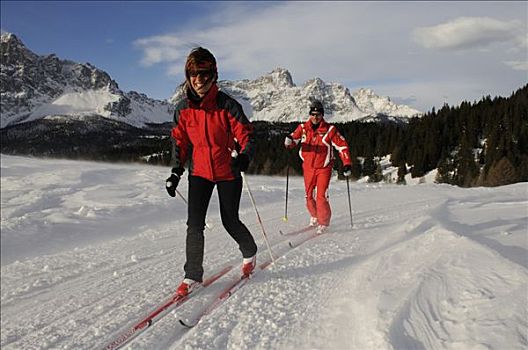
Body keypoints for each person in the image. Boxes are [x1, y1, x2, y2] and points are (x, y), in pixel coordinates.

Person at [166, 47, 257, 297]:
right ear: (188, 76)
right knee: (194, 224)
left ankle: (249, 251)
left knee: (230, 220)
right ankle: (192, 275)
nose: (199, 79)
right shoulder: (183, 109)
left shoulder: (227, 105)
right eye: (193, 74)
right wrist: (176, 172)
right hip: (200, 173)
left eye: (204, 74)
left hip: (228, 170)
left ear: (213, 75)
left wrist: (245, 156)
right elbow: (180, 142)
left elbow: (246, 135)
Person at [284, 100, 352, 234]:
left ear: (322, 115)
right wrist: (288, 142)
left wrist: (347, 163)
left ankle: (324, 222)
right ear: (310, 114)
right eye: (313, 114)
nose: (315, 117)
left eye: (318, 115)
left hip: (323, 167)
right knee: (308, 195)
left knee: (321, 196)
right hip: (308, 167)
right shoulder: (303, 128)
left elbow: (342, 146)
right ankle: (315, 216)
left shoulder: (330, 130)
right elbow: (293, 140)